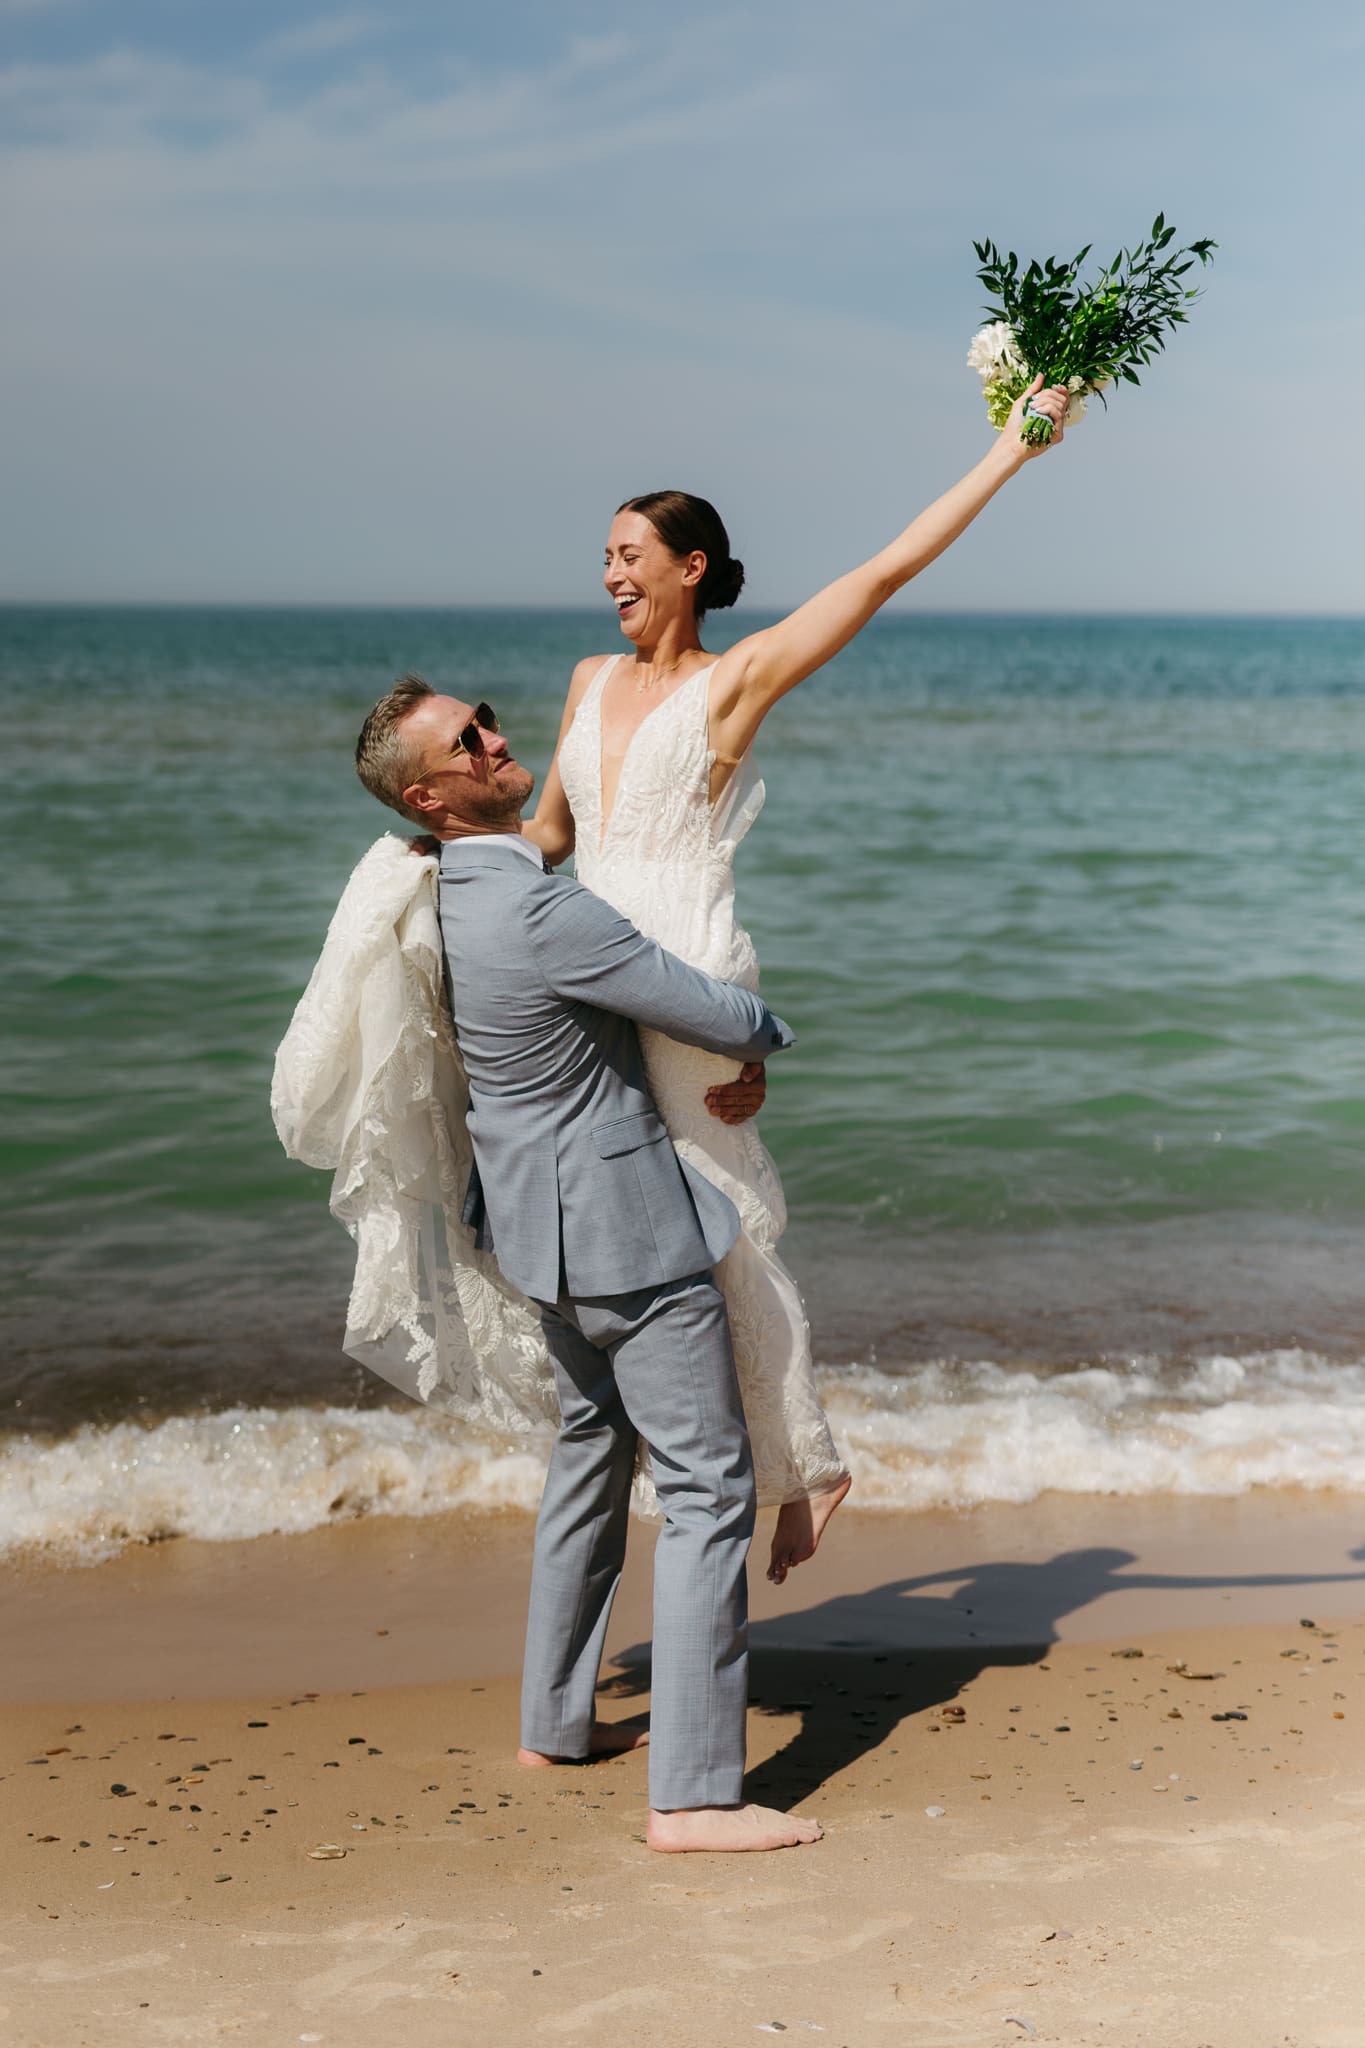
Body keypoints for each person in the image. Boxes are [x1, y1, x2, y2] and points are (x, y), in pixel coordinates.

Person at [518, 374, 1072, 1582]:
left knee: (719, 1230)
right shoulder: (582, 680)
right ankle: (686, 1447)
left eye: (629, 555)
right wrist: (438, 866)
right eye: (603, 557)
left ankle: (802, 1465)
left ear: (691, 566)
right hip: (587, 977)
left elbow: (879, 576)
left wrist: (1010, 450)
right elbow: (548, 839)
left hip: (688, 976)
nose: (610, 574)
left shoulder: (738, 678)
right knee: (606, 1223)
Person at [350, 675, 824, 1854]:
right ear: (433, 791)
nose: (500, 741)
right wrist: (768, 1031)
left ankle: (554, 1720)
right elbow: (707, 1006)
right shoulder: (543, 912)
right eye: (473, 739)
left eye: (489, 718)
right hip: (622, 1233)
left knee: (588, 1456)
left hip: (535, 1236)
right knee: (710, 1485)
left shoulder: (444, 894)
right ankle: (696, 1796)